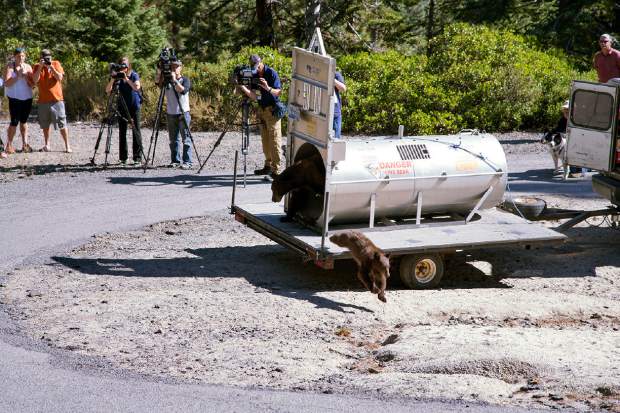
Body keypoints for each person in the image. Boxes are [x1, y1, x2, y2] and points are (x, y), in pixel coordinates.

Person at [237, 54, 283, 177]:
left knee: (274, 140)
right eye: (253, 69)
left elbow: (278, 92)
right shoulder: (254, 74)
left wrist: (268, 88)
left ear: (261, 63)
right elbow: (255, 96)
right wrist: (242, 86)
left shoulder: (271, 73)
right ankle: (267, 166)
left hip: (273, 110)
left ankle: (276, 170)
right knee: (265, 141)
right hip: (262, 110)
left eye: (257, 67)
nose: (255, 70)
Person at [105, 57, 143, 165]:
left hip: (134, 105)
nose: (123, 69)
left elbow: (137, 87)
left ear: (128, 66)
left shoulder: (133, 75)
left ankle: (137, 158)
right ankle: (123, 158)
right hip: (122, 106)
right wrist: (113, 79)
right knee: (122, 132)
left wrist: (126, 79)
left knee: (136, 131)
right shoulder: (116, 76)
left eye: (125, 66)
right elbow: (107, 90)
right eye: (122, 66)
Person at [156, 59, 193, 169]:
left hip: (183, 112)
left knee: (186, 138)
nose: (174, 69)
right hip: (171, 113)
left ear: (181, 68)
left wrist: (174, 80)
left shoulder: (185, 80)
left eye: (177, 67)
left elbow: (182, 90)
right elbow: (158, 83)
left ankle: (187, 162)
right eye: (172, 67)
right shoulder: (166, 81)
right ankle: (175, 160)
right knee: (173, 139)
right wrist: (159, 70)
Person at [33, 49, 71, 153]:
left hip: (57, 100)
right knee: (45, 125)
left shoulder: (56, 63)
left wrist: (51, 67)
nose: (46, 58)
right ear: (40, 57)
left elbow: (59, 78)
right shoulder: (37, 66)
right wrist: (41, 67)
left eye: (48, 56)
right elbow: (35, 80)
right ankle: (47, 145)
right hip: (43, 101)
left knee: (62, 123)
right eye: (44, 56)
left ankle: (67, 146)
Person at [3, 47, 34, 154]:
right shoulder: (10, 66)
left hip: (27, 97)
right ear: (14, 56)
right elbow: (6, 83)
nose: (21, 58)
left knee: (24, 121)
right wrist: (17, 75)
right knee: (14, 122)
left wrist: (25, 77)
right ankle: (9, 145)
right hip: (14, 98)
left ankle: (25, 144)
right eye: (18, 56)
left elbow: (32, 85)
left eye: (22, 56)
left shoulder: (28, 67)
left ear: (25, 56)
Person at [333, 71, 346, 139]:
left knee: (336, 139)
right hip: (320, 112)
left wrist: (333, 79)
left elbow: (343, 88)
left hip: (335, 112)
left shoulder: (335, 74)